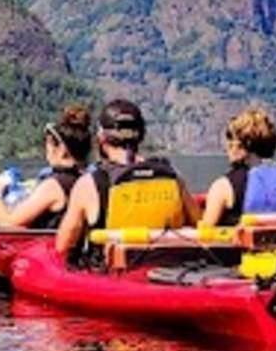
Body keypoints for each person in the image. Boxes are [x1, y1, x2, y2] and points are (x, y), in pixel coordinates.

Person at [54, 99, 199, 262]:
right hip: (168, 273)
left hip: (112, 278)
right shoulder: (173, 177)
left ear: (101, 138)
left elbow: (62, 247)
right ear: (141, 136)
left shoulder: (89, 184)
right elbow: (199, 224)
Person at [0, 104, 92, 230]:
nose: (46, 152)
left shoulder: (53, 186)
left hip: (49, 247)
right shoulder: (86, 179)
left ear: (61, 150)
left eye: (48, 146)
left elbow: (8, 224)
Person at [202, 107, 276, 226]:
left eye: (230, 143)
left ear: (240, 146)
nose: (228, 149)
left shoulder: (222, 186)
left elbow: (204, 233)